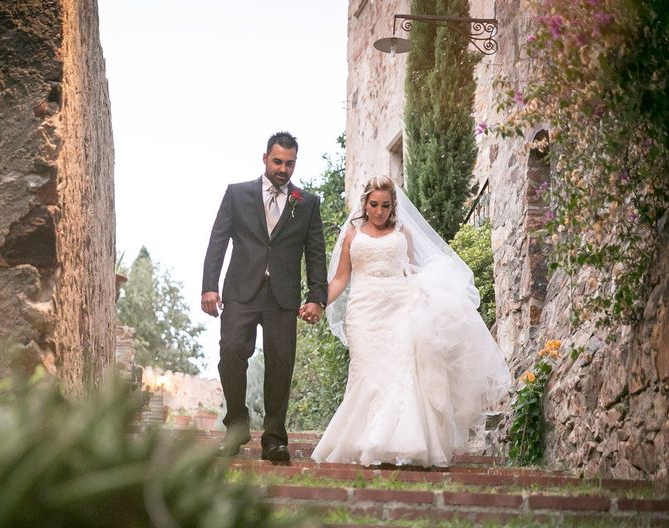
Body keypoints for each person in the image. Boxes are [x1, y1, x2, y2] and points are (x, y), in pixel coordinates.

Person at [312, 175, 510, 467]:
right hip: (363, 313)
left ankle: (402, 443)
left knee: (401, 372)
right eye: (374, 204)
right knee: (367, 373)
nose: (379, 211)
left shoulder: (402, 232)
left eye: (385, 205)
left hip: (399, 308)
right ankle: (365, 441)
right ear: (365, 203)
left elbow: (412, 271)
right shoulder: (352, 236)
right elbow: (341, 278)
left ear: (393, 206)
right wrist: (317, 302)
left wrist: (430, 298)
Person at [201, 131, 327, 463]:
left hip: (282, 297)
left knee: (280, 364)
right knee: (230, 352)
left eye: (289, 163)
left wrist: (317, 296)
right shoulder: (237, 194)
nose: (283, 169)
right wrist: (209, 286)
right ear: (265, 159)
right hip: (241, 290)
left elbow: (315, 253)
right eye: (277, 161)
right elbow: (218, 241)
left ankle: (274, 439)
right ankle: (236, 424)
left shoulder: (307, 202)